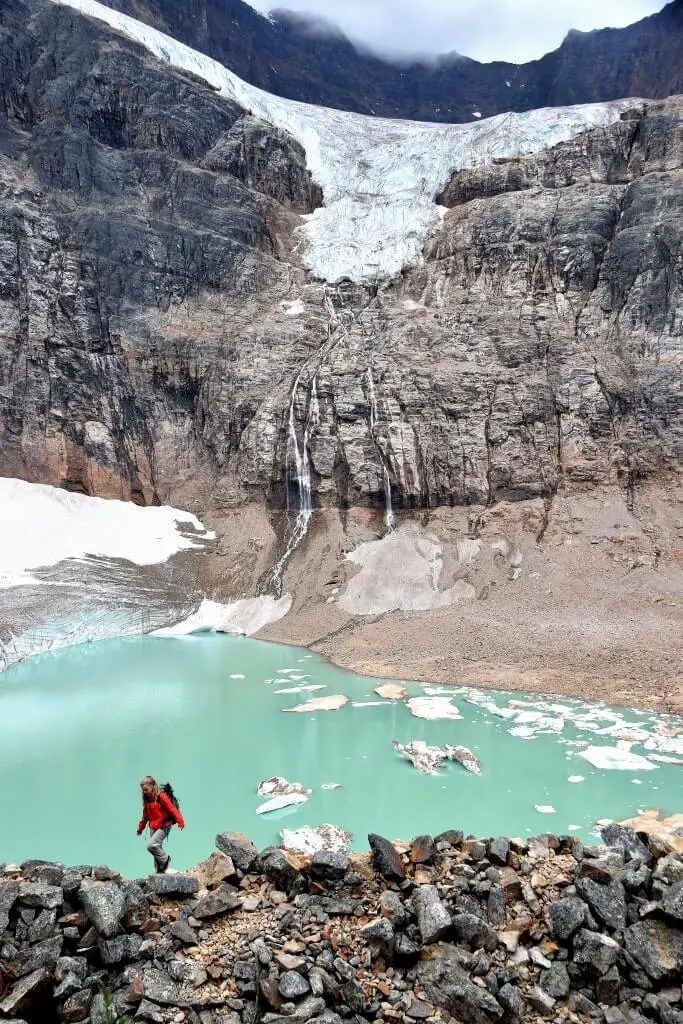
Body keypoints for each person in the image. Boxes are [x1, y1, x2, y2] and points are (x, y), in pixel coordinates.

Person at [136, 775, 184, 873]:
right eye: (143, 790)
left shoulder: (161, 796)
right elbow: (145, 817)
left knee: (151, 845)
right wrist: (140, 828)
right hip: (153, 827)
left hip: (164, 826)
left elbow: (172, 809)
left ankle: (166, 859)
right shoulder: (147, 800)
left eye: (146, 789)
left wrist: (180, 821)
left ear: (153, 786)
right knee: (156, 849)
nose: (144, 792)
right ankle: (160, 871)